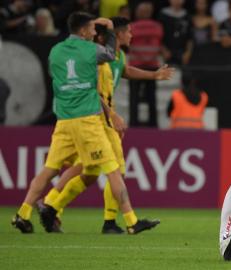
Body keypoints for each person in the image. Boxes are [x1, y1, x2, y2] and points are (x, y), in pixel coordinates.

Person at [38, 16, 174, 234]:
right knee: (114, 168)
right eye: (128, 31)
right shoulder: (100, 58)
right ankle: (112, 221)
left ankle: (51, 205)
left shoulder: (117, 56)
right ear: (116, 34)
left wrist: (154, 75)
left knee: (89, 170)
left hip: (95, 118)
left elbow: (126, 70)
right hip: (96, 119)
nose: (132, 35)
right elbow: (93, 92)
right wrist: (112, 115)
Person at [11, 12, 141, 234]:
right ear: (82, 31)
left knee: (51, 170)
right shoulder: (90, 51)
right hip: (88, 119)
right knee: (112, 168)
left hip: (63, 119)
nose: (93, 32)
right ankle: (130, 221)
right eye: (90, 28)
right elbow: (110, 54)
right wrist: (108, 28)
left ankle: (23, 213)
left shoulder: (56, 51)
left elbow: (57, 76)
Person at [128, 1, 163, 127]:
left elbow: (128, 41)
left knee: (134, 98)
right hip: (152, 66)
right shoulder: (157, 27)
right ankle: (153, 125)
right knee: (151, 98)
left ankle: (133, 124)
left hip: (135, 66)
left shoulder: (131, 27)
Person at [158, 0, 194, 65]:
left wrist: (188, 53)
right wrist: (163, 50)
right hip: (166, 52)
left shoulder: (187, 15)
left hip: (182, 53)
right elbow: (158, 36)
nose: (177, 1)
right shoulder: (162, 14)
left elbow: (190, 37)